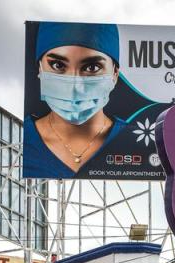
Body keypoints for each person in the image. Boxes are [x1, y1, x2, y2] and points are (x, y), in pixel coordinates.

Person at [23, 22, 127, 178]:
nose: (74, 87)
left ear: (115, 74)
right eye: (57, 65)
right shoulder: (23, 143)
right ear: (40, 68)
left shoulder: (137, 140)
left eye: (92, 67)